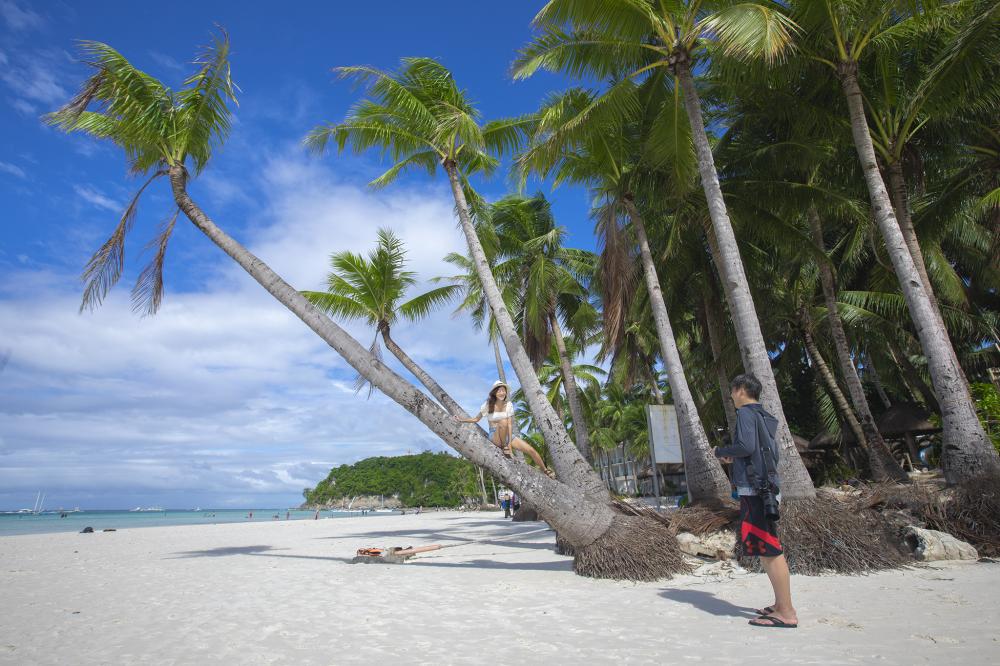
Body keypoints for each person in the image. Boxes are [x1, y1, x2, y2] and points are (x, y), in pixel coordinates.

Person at [714, 373, 798, 629]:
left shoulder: (746, 414)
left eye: (732, 390)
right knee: (768, 548)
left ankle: (786, 611)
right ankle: (780, 604)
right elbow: (762, 452)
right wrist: (737, 458)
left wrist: (721, 452)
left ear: (740, 390)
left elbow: (745, 446)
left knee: (770, 549)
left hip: (757, 490)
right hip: (766, 487)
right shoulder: (763, 415)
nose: (730, 396)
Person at [453, 380, 555, 478]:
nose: (502, 393)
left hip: (507, 436)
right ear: (494, 393)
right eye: (499, 390)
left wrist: (509, 445)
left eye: (503, 390)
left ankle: (545, 470)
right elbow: (476, 419)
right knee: (503, 421)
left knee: (531, 450)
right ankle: (505, 447)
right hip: (494, 435)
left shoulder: (508, 405)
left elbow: (510, 425)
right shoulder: (487, 405)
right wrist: (461, 420)